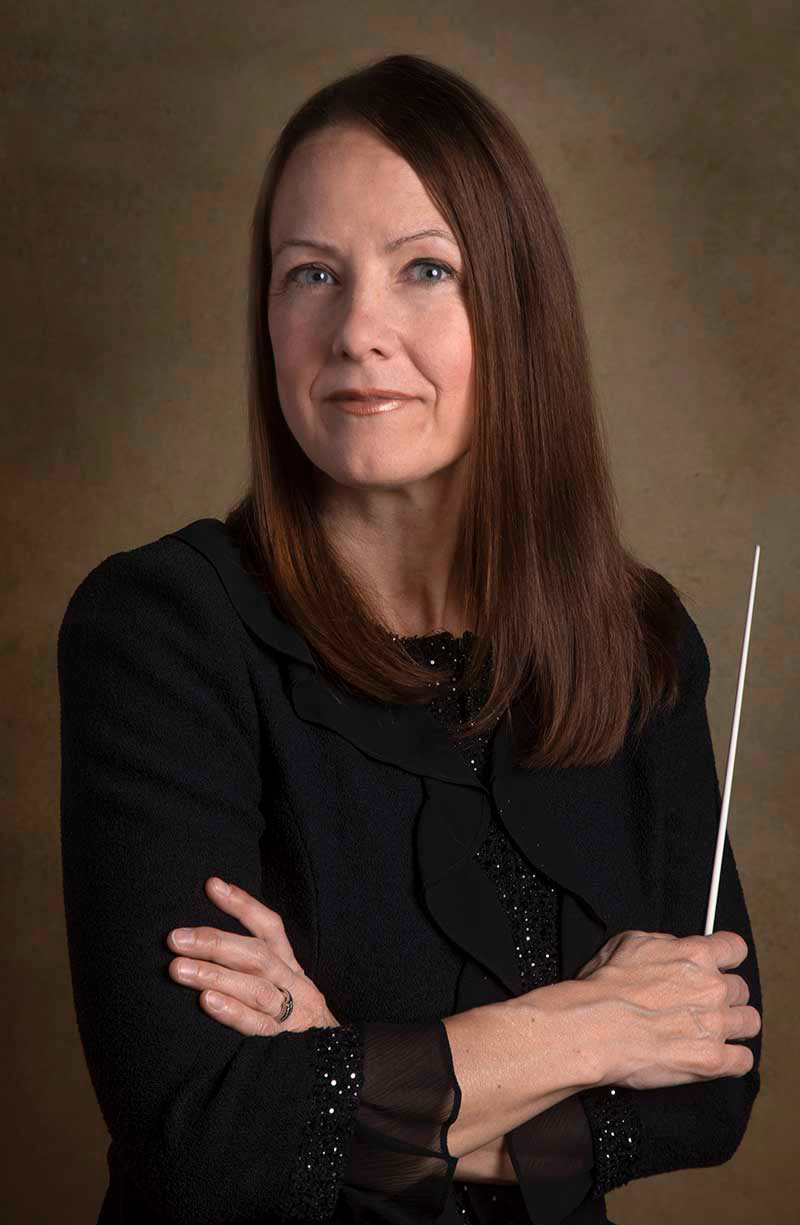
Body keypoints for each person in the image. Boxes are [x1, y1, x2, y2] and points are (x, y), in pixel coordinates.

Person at [57, 54, 762, 1225]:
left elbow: (707, 1093)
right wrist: (580, 1028)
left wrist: (342, 1074)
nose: (356, 331)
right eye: (309, 276)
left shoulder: (636, 642)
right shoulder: (159, 629)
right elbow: (204, 1136)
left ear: (516, 310)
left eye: (424, 269)